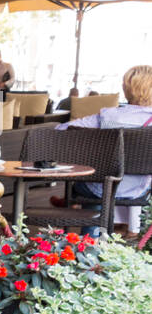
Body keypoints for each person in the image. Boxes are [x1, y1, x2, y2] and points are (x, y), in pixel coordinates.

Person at [52, 64, 152, 232]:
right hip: (140, 190)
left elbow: (61, 130)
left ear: (127, 89)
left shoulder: (108, 116)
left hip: (101, 187)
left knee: (90, 187)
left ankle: (89, 241)